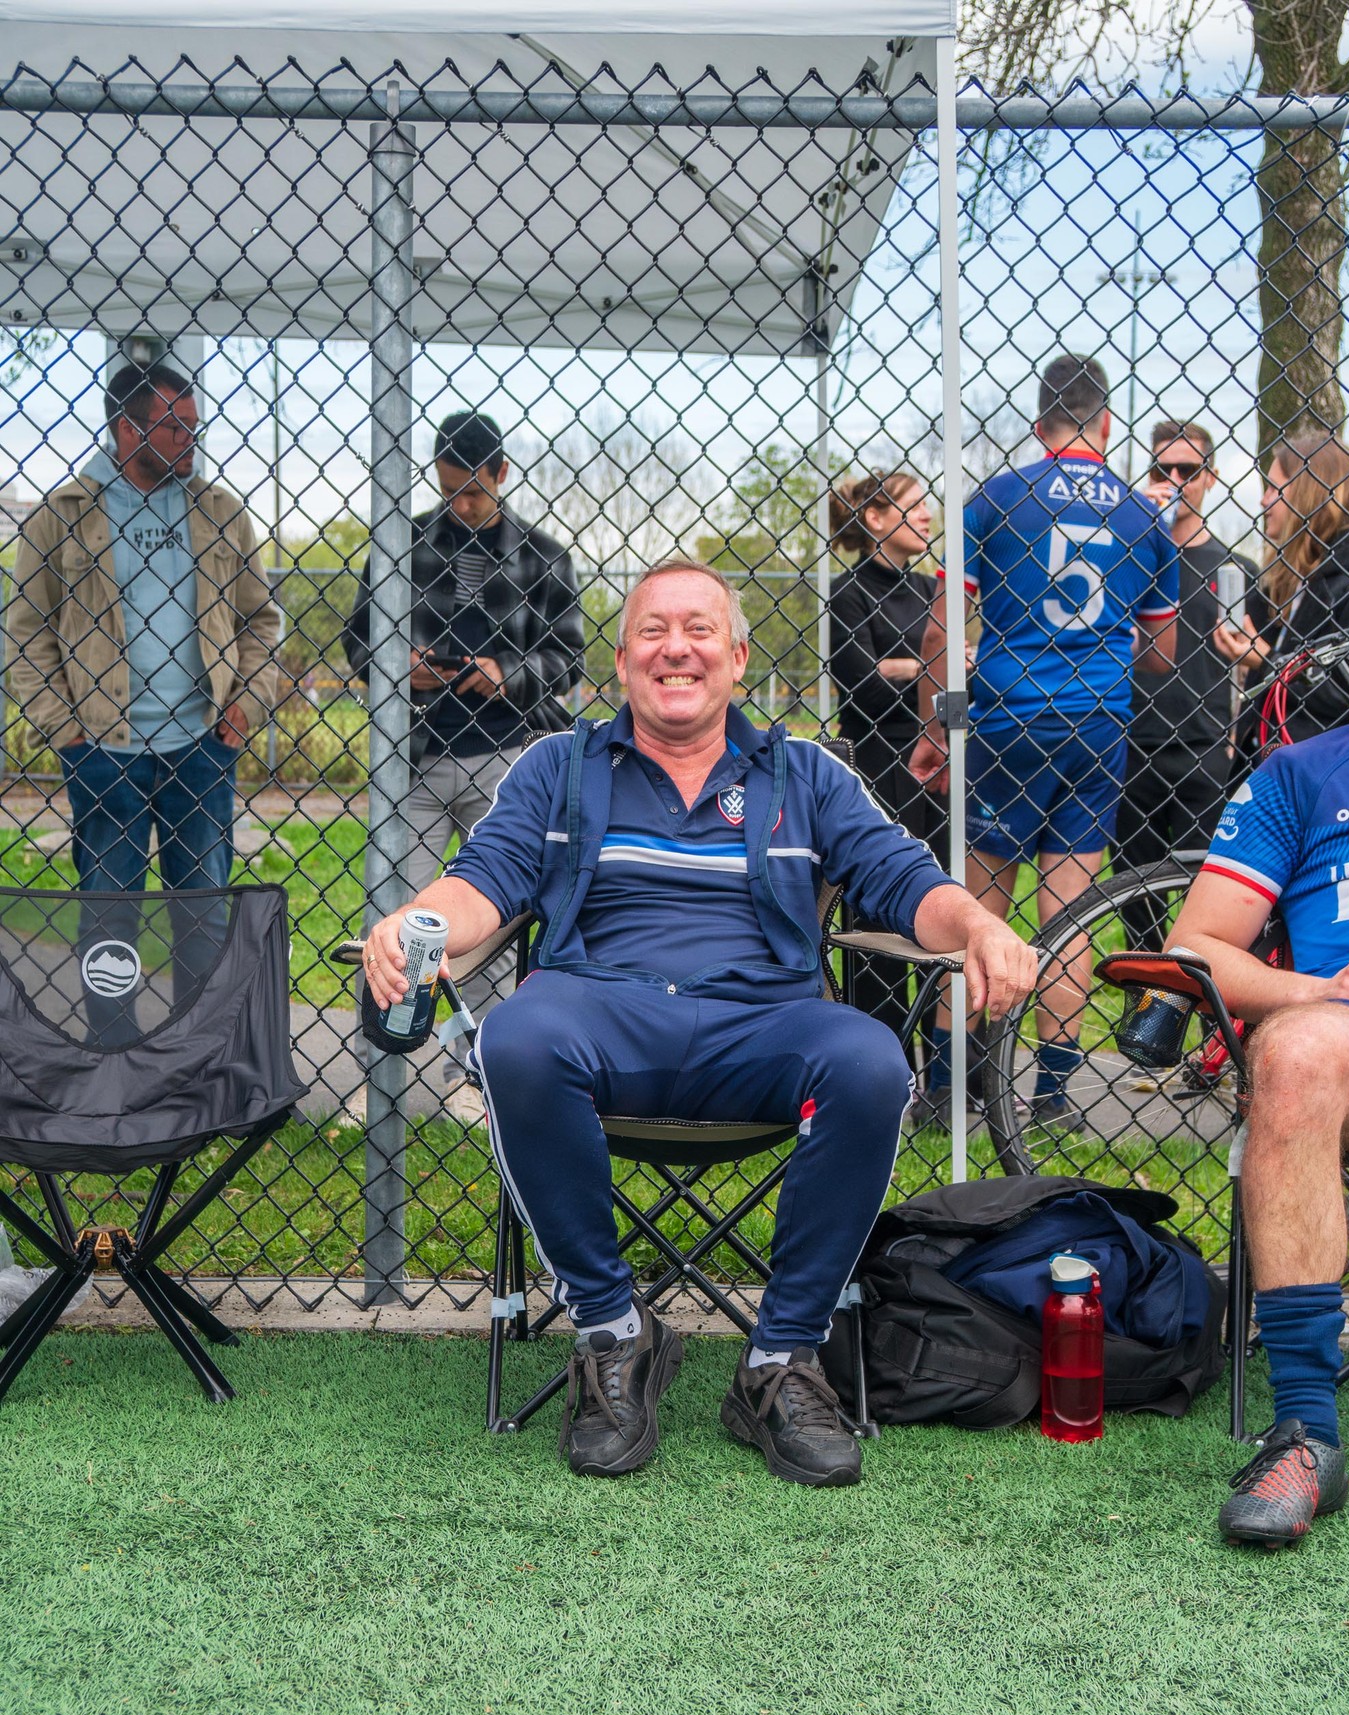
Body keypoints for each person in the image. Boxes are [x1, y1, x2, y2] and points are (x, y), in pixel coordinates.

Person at [364, 560, 1036, 1487]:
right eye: (652, 631)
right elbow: (484, 880)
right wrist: (413, 922)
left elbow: (902, 878)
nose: (674, 649)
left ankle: (780, 1359)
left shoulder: (805, 773)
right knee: (514, 1038)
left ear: (737, 656)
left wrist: (980, 926)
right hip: (598, 1011)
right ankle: (613, 1332)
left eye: (697, 630)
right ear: (621, 659)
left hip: (763, 1022)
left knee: (869, 1060)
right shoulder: (557, 767)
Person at [910, 354, 1179, 1130]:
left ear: (1039, 425)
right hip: (1096, 721)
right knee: (1070, 913)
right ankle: (1054, 1099)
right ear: (1106, 423)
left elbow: (939, 629)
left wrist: (933, 729)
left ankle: (946, 1093)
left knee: (976, 909)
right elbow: (1160, 654)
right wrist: (1098, 647)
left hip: (1007, 720)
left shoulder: (997, 497)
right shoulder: (1141, 514)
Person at [6, 362, 281, 1040]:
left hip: (201, 749)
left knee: (203, 917)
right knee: (109, 920)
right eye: (175, 426)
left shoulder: (220, 511)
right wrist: (66, 732)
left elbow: (261, 620)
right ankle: (116, 1059)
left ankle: (194, 1056)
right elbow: (26, 633)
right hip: (104, 754)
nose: (191, 439)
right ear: (127, 428)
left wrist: (246, 704)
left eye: (195, 426)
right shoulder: (62, 515)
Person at [1167, 717, 1349, 1544]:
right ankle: (1306, 1436)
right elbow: (1197, 944)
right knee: (1294, 1054)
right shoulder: (1306, 773)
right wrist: (1315, 991)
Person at [344, 409, 584, 1044]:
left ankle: (473, 1069)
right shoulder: (400, 546)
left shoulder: (545, 557)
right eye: (449, 490)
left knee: (489, 930)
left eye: (474, 491)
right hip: (416, 755)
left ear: (501, 473)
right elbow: (357, 642)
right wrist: (400, 666)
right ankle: (382, 1063)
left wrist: (506, 672)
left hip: (504, 761)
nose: (461, 504)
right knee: (394, 919)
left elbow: (569, 660)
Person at [1115, 421, 1255, 953]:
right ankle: (1146, 1000)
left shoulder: (1237, 569)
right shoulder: (1127, 560)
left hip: (1206, 751)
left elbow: (1258, 663)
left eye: (1189, 470)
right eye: (1162, 468)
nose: (1175, 480)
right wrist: (1141, 531)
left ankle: (1203, 1003)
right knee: (1135, 903)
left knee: (1209, 908)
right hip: (1132, 747)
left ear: (1211, 477)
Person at [828, 468, 946, 1039]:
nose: (927, 514)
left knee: (938, 908)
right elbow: (863, 688)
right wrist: (929, 665)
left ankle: (947, 1065)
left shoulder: (930, 589)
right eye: (913, 505)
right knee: (879, 918)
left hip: (937, 763)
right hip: (876, 766)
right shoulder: (848, 593)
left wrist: (903, 666)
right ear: (875, 518)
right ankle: (883, 1055)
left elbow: (957, 682)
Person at [1214, 431, 1349, 759]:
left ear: (1308, 494)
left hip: (1322, 768)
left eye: (1274, 488)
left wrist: (1268, 661)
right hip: (1270, 762)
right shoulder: (1285, 578)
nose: (1263, 501)